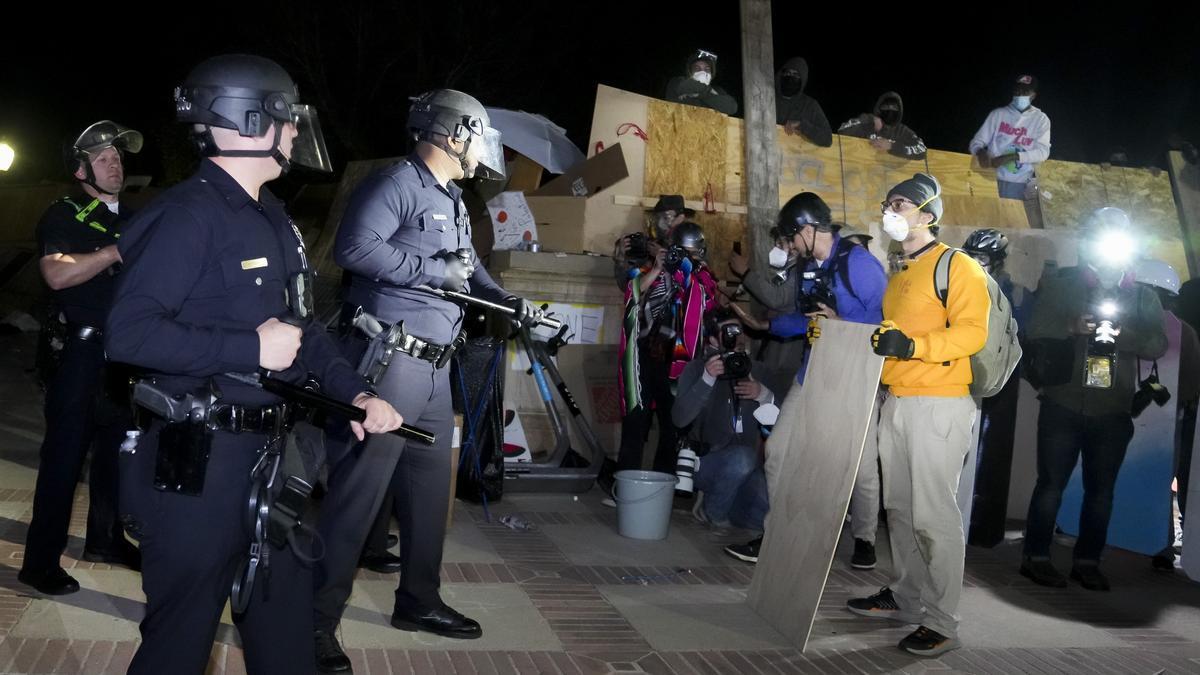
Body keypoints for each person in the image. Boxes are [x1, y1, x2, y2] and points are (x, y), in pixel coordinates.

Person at [105, 54, 403, 675]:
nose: (295, 131)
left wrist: (357, 394)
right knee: (177, 647)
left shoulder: (272, 216)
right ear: (248, 120)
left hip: (272, 463)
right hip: (196, 468)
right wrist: (246, 348)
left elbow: (303, 330)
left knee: (287, 642)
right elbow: (128, 334)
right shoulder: (186, 215)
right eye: (287, 117)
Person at [318, 88, 543, 669]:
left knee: (427, 499)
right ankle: (315, 622)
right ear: (452, 133)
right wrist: (428, 270)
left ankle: (418, 601)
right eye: (477, 138)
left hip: (436, 373)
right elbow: (353, 248)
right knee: (357, 500)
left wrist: (511, 302)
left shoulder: (453, 199)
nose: (480, 153)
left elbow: (469, 275)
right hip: (390, 367)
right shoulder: (397, 183)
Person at [846, 173, 989, 657]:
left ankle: (943, 621)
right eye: (888, 202)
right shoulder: (901, 272)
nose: (891, 209)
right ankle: (906, 597)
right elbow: (887, 338)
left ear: (928, 215)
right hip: (899, 403)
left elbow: (972, 334)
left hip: (940, 404)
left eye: (901, 203)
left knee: (934, 516)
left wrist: (914, 346)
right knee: (900, 512)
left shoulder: (958, 266)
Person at [724, 193, 887, 568]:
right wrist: (766, 326)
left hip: (856, 372)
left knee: (860, 464)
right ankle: (778, 533)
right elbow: (807, 319)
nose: (790, 245)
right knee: (778, 449)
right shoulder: (807, 268)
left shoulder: (860, 265)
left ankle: (864, 538)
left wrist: (842, 324)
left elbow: (887, 322)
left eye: (791, 236)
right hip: (812, 369)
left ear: (808, 228)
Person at [19, 120, 144, 596]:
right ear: (80, 169)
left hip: (122, 356)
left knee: (115, 454)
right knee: (64, 459)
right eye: (106, 158)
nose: (117, 165)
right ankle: (39, 561)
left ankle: (106, 539)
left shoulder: (134, 217)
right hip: (78, 353)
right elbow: (55, 274)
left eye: (119, 157)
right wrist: (115, 251)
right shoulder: (64, 213)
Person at [1020, 207, 1166, 592]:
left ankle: (1087, 561)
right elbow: (1035, 330)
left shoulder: (1142, 296)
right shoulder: (1064, 285)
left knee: (1101, 492)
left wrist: (1123, 335)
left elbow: (1157, 344)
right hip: (1063, 402)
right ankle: (1035, 557)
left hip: (1113, 409)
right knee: (1050, 483)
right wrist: (1071, 327)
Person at [615, 222, 720, 486]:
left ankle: (660, 491)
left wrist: (680, 263)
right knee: (635, 422)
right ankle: (625, 488)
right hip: (644, 357)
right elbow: (633, 291)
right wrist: (660, 266)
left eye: (690, 253)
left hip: (678, 364)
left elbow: (703, 294)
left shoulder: (703, 277)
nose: (685, 258)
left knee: (671, 428)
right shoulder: (655, 270)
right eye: (679, 252)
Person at [673, 308, 773, 532]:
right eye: (728, 332)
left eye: (739, 330)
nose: (737, 337)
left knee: (769, 516)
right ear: (712, 339)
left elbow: (776, 424)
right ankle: (714, 514)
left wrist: (764, 395)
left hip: (745, 469)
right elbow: (679, 419)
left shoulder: (757, 371)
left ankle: (725, 506)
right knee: (743, 459)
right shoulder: (697, 368)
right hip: (704, 463)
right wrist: (707, 380)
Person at [961, 228, 1030, 547]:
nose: (975, 263)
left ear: (998, 262)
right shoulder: (959, 287)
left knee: (991, 453)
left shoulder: (1012, 294)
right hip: (962, 374)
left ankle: (982, 527)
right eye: (971, 257)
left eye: (983, 259)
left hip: (998, 381)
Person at [1131, 259, 1200, 571]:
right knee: (1164, 478)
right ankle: (1160, 543)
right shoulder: (1182, 331)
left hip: (1163, 419)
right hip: (1168, 417)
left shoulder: (1180, 331)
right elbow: (1189, 384)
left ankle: (1158, 542)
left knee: (1160, 477)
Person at [969, 74, 1051, 201]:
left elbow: (1043, 153)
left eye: (1025, 92)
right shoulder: (998, 114)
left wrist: (1013, 157)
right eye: (1017, 91)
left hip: (1019, 184)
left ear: (1033, 95)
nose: (1020, 95)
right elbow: (976, 142)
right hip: (989, 178)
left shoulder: (1041, 120)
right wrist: (980, 152)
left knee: (1010, 219)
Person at [611, 194, 693, 290]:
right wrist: (621, 258)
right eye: (659, 217)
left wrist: (666, 257)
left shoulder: (691, 242)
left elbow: (691, 278)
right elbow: (628, 287)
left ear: (681, 218)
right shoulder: (653, 247)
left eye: (666, 217)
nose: (660, 223)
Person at [838, 92, 927, 160]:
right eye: (886, 107)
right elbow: (842, 130)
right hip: (862, 173)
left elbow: (922, 149)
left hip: (891, 177)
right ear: (879, 109)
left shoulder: (902, 131)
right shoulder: (868, 124)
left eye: (894, 108)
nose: (890, 110)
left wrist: (892, 146)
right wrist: (868, 119)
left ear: (899, 112)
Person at [775, 57, 832, 146]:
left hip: (794, 156)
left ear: (802, 80)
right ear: (781, 74)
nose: (790, 77)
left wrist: (801, 125)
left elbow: (827, 138)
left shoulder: (809, 105)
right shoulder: (767, 97)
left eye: (796, 75)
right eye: (788, 73)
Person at [664, 48, 738, 115]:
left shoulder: (718, 91)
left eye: (707, 69)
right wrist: (710, 92)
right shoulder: (677, 82)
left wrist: (701, 94)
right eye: (697, 68)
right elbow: (684, 87)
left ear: (711, 74)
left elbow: (732, 107)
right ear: (690, 72)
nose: (702, 72)